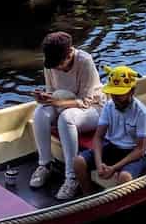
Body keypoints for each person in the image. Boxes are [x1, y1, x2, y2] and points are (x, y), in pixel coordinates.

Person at [29, 31, 105, 202]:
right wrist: (45, 98)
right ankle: (45, 164)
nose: (56, 68)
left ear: (70, 53)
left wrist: (57, 103)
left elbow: (86, 101)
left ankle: (72, 176)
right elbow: (51, 91)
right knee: (40, 112)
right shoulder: (50, 64)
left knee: (67, 118)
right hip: (63, 102)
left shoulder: (84, 61)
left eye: (59, 64)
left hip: (93, 108)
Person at [74, 65, 146, 192]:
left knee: (124, 178)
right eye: (113, 94)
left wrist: (114, 168)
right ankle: (88, 196)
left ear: (131, 91)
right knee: (79, 162)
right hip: (113, 146)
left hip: (135, 153)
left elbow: (140, 150)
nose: (115, 98)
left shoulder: (142, 112)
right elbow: (98, 137)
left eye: (120, 94)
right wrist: (99, 165)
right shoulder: (109, 106)